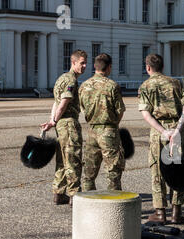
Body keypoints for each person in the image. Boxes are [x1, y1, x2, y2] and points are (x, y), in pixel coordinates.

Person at [138, 53, 184, 223]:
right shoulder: (176, 82)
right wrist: (177, 129)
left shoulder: (145, 86)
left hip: (158, 131)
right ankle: (176, 212)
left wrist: (163, 131)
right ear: (163, 67)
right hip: (177, 129)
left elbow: (146, 114)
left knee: (158, 171)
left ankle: (160, 212)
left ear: (148, 68)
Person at [40, 49, 87, 206]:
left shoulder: (61, 79)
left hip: (61, 124)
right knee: (73, 159)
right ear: (73, 63)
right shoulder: (71, 80)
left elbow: (55, 102)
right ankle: (74, 195)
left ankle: (59, 193)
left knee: (62, 160)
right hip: (68, 123)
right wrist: (53, 121)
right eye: (82, 63)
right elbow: (63, 103)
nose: (85, 66)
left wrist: (52, 121)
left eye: (86, 62)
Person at [79, 53, 125, 193]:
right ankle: (114, 205)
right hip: (109, 130)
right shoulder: (112, 86)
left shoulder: (84, 86)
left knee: (88, 172)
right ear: (109, 67)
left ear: (94, 66)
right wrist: (113, 123)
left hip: (91, 131)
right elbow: (120, 110)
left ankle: (88, 202)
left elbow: (82, 108)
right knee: (113, 172)